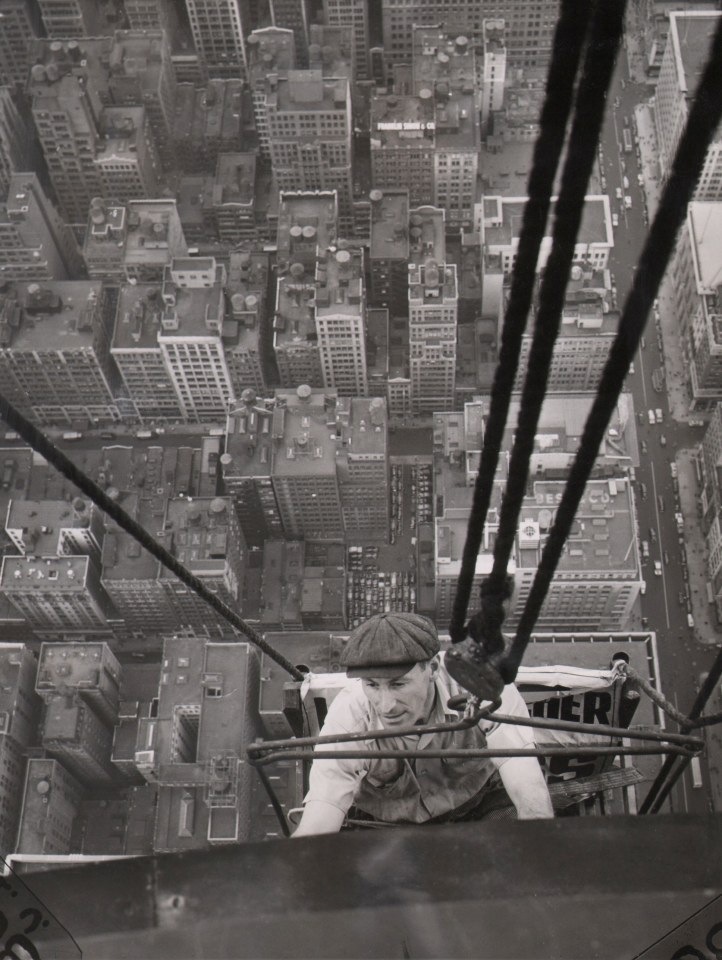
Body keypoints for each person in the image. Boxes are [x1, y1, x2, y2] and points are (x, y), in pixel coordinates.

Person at [293, 612, 553, 836]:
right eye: (372, 685)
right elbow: (322, 811)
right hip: (389, 828)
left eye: (398, 684)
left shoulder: (481, 686)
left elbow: (524, 779)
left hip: (479, 806)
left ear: (433, 668)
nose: (385, 706)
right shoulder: (350, 715)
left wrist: (533, 851)